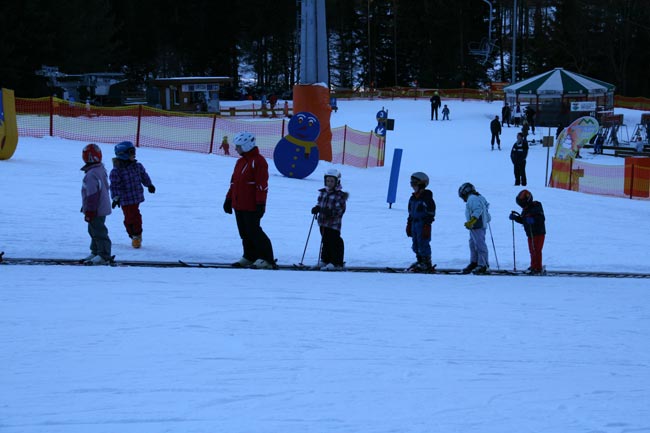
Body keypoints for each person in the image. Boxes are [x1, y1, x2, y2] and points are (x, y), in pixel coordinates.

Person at [223, 132, 276, 269]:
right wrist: (228, 199)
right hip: (238, 204)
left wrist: (260, 203)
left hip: (251, 205)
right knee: (244, 232)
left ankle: (266, 258)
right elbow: (234, 183)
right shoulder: (240, 162)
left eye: (239, 146)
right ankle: (249, 256)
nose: (236, 149)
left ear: (247, 146)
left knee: (254, 231)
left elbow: (261, 185)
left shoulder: (259, 161)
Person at [109, 141, 156, 249]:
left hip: (136, 197)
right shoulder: (116, 171)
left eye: (134, 151)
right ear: (123, 154)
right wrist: (116, 198)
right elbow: (114, 186)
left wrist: (149, 185)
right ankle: (134, 235)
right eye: (131, 152)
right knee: (130, 217)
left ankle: (137, 235)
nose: (134, 154)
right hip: (125, 199)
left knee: (136, 216)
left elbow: (144, 176)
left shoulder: (137, 166)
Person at [311, 169, 349, 271]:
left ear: (337, 182)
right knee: (325, 241)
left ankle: (336, 262)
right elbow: (320, 203)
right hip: (323, 222)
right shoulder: (323, 192)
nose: (329, 183)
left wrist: (329, 212)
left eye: (332, 181)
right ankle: (325, 259)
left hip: (333, 224)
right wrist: (317, 208)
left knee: (334, 241)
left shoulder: (339, 195)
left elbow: (340, 210)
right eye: (328, 181)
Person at [80, 143, 112, 265]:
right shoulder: (100, 170)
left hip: (96, 209)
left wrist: (90, 211)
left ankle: (103, 254)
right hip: (99, 207)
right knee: (93, 230)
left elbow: (92, 194)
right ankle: (95, 251)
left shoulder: (91, 174)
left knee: (98, 231)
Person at [509, 189, 546, 275]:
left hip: (538, 233)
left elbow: (541, 218)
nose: (521, 206)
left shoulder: (537, 206)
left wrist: (533, 220)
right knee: (532, 250)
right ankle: (533, 265)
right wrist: (515, 218)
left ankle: (538, 267)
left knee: (536, 250)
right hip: (530, 233)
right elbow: (524, 220)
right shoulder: (526, 209)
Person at [458, 182, 491, 274]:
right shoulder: (477, 198)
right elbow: (484, 209)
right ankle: (474, 262)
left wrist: (472, 221)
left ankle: (483, 264)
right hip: (475, 226)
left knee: (479, 245)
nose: (463, 199)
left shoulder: (472, 198)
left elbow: (478, 210)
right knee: (473, 244)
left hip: (477, 225)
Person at [406, 172, 436, 272]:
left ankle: (426, 262)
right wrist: (409, 223)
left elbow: (431, 212)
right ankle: (420, 260)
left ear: (422, 184)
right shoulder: (413, 198)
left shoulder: (426, 198)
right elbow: (410, 212)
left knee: (423, 242)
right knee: (415, 244)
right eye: (411, 184)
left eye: (414, 184)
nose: (412, 186)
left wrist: (427, 223)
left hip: (423, 224)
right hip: (414, 223)